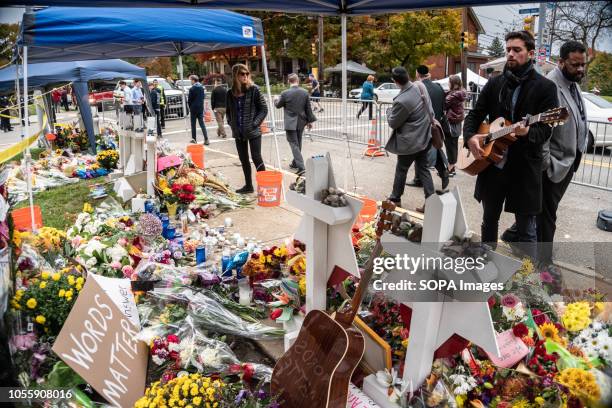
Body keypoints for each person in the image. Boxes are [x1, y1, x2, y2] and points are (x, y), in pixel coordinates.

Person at [463, 30, 558, 258]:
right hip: (493, 165)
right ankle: (486, 263)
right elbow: (475, 115)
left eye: (517, 50)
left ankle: (528, 280)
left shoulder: (545, 88)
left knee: (526, 229)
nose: (511, 54)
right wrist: (470, 137)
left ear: (530, 53)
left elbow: (545, 129)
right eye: (508, 50)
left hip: (524, 169)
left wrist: (527, 132)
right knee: (489, 221)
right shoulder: (495, 83)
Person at [503, 41, 588, 274]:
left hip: (569, 161)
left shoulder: (572, 83)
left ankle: (513, 234)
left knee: (543, 210)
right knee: (547, 216)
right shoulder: (551, 84)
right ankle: (544, 264)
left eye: (583, 65)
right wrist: (547, 164)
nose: (580, 69)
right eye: (575, 64)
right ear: (560, 62)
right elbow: (544, 131)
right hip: (554, 164)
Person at [385, 66, 434, 211]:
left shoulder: (402, 101)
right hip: (425, 136)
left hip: (410, 142)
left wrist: (388, 112)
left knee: (402, 169)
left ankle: (395, 198)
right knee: (423, 169)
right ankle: (431, 202)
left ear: (395, 81)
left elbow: (393, 123)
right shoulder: (420, 86)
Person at [226, 64, 268, 194]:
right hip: (238, 132)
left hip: (253, 131)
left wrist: (254, 124)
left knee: (256, 157)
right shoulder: (230, 93)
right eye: (242, 74)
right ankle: (248, 186)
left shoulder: (254, 89)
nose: (245, 76)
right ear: (235, 76)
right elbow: (228, 111)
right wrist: (231, 123)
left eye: (246, 74)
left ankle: (265, 186)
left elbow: (263, 109)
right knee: (243, 159)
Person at [407, 65, 450, 192]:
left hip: (422, 124)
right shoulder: (438, 87)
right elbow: (444, 105)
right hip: (436, 123)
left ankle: (419, 179)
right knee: (434, 149)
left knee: (420, 152)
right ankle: (442, 171)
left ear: (417, 73)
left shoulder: (417, 87)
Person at [275, 73, 317, 175]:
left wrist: (275, 99)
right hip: (301, 121)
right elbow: (308, 109)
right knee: (298, 143)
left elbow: (278, 105)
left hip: (290, 122)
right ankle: (295, 163)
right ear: (298, 81)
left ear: (289, 81)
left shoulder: (285, 93)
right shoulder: (304, 92)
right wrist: (309, 121)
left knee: (294, 144)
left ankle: (301, 167)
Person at [444, 75, 467, 176]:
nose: (448, 84)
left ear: (455, 84)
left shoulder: (454, 95)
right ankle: (452, 168)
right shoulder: (459, 93)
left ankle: (450, 169)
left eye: (450, 82)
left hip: (451, 122)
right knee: (453, 146)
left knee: (450, 146)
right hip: (456, 123)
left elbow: (444, 103)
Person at [187, 74, 209, 145]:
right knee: (202, 124)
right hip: (200, 107)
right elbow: (203, 97)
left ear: (193, 80)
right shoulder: (201, 87)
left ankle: (194, 139)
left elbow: (189, 100)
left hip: (193, 108)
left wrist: (190, 107)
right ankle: (206, 139)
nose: (191, 81)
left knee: (193, 125)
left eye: (191, 80)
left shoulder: (192, 89)